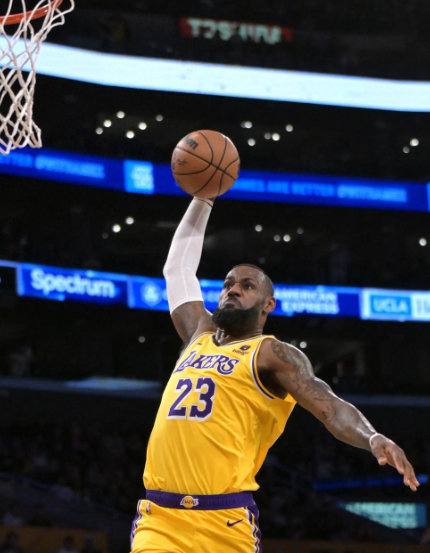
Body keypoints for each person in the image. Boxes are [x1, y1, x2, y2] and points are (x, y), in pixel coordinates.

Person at [130, 198, 419, 553]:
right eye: (228, 284)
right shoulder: (198, 332)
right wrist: (203, 199)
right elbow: (177, 270)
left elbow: (330, 407)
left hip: (225, 523)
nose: (233, 289)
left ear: (268, 305)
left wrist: (372, 437)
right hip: (160, 520)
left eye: (247, 286)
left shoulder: (272, 354)